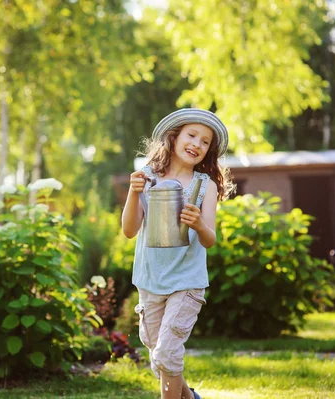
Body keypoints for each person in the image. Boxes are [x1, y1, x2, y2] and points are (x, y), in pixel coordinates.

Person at [121, 108, 233, 399]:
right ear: (174, 137)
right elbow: (129, 230)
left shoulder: (204, 186)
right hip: (150, 279)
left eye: (205, 141)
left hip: (186, 280)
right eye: (191, 135)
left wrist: (198, 223)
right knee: (160, 358)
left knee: (167, 353)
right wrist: (133, 193)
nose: (197, 144)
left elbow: (209, 240)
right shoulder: (147, 177)